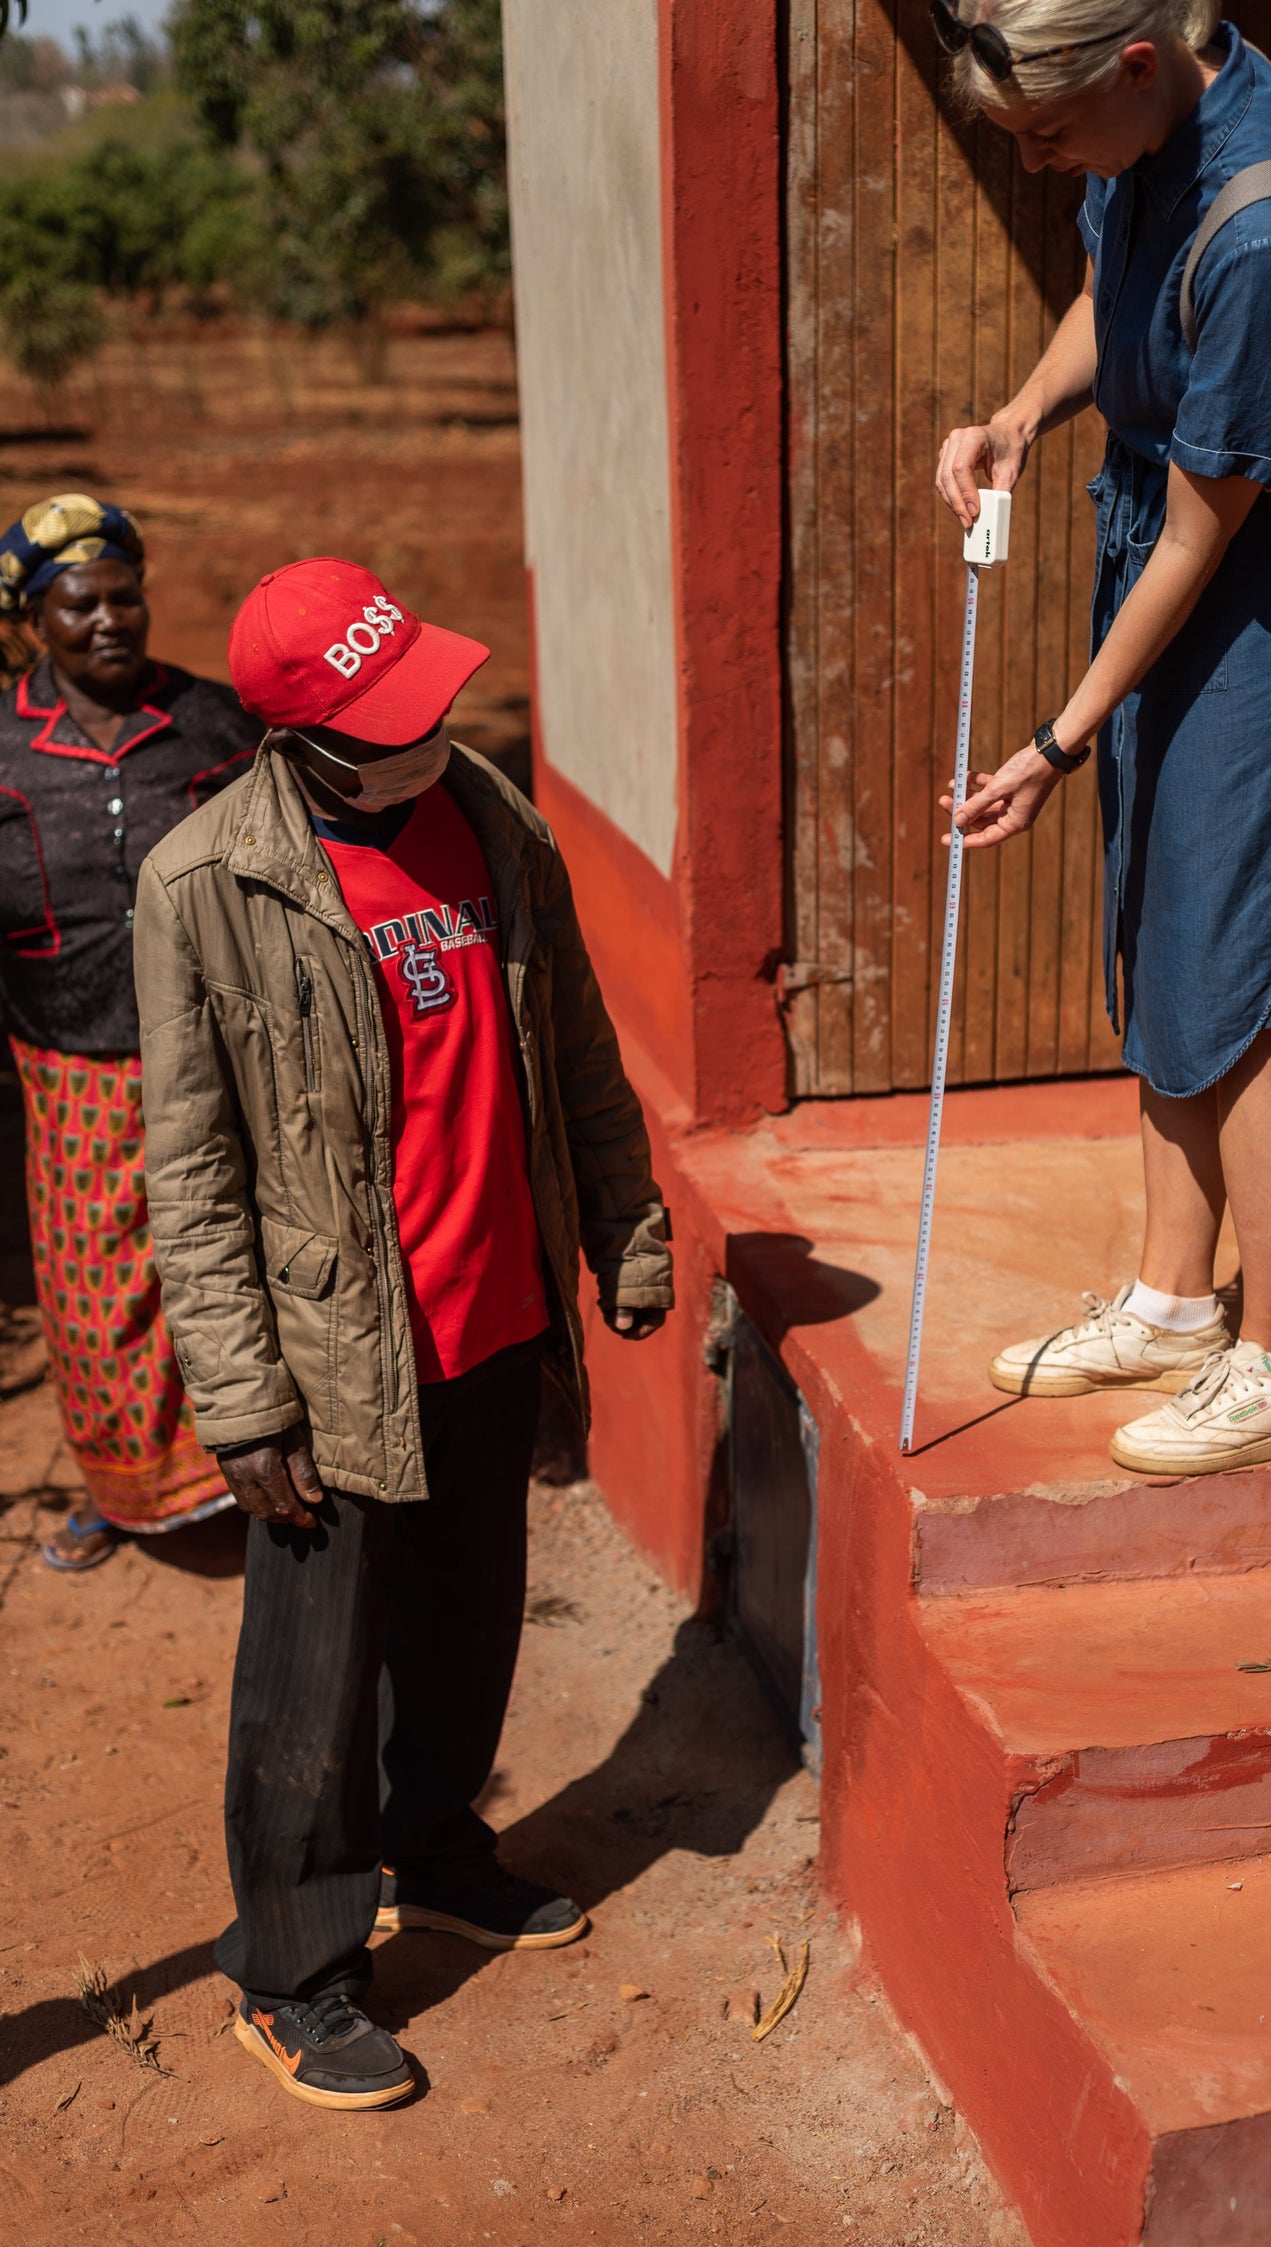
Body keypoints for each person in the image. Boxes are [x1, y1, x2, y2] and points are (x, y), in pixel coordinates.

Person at [133, 556, 673, 2112]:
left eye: (429, 701)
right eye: (392, 722)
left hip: (495, 1315)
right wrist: (241, 1402)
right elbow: (192, 1166)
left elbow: (570, 1040)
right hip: (328, 1359)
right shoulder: (205, 884)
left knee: (466, 1615)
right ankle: (292, 1968)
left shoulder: (489, 814)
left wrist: (628, 1226)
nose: (430, 732)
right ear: (300, 742)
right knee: (309, 1679)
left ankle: (437, 1847)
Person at [932, 5, 1271, 1476]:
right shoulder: (1150, 120)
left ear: (1133, 68)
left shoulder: (1268, 227)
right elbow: (1112, 299)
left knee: (1236, 984)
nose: (1050, 165)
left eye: (1054, 138)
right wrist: (1021, 412)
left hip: (1256, 612)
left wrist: (1055, 743)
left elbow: (1203, 530)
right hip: (1169, 567)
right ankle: (1178, 1301)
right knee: (1164, 936)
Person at [0, 493, 260, 1569]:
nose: (110, 619)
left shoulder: (211, 724)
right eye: (79, 605)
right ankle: (125, 1485)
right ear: (29, 624)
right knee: (96, 1279)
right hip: (70, 1059)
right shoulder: (6, 743)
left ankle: (249, 1465)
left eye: (125, 596)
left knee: (229, 1257)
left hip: (215, 1046)